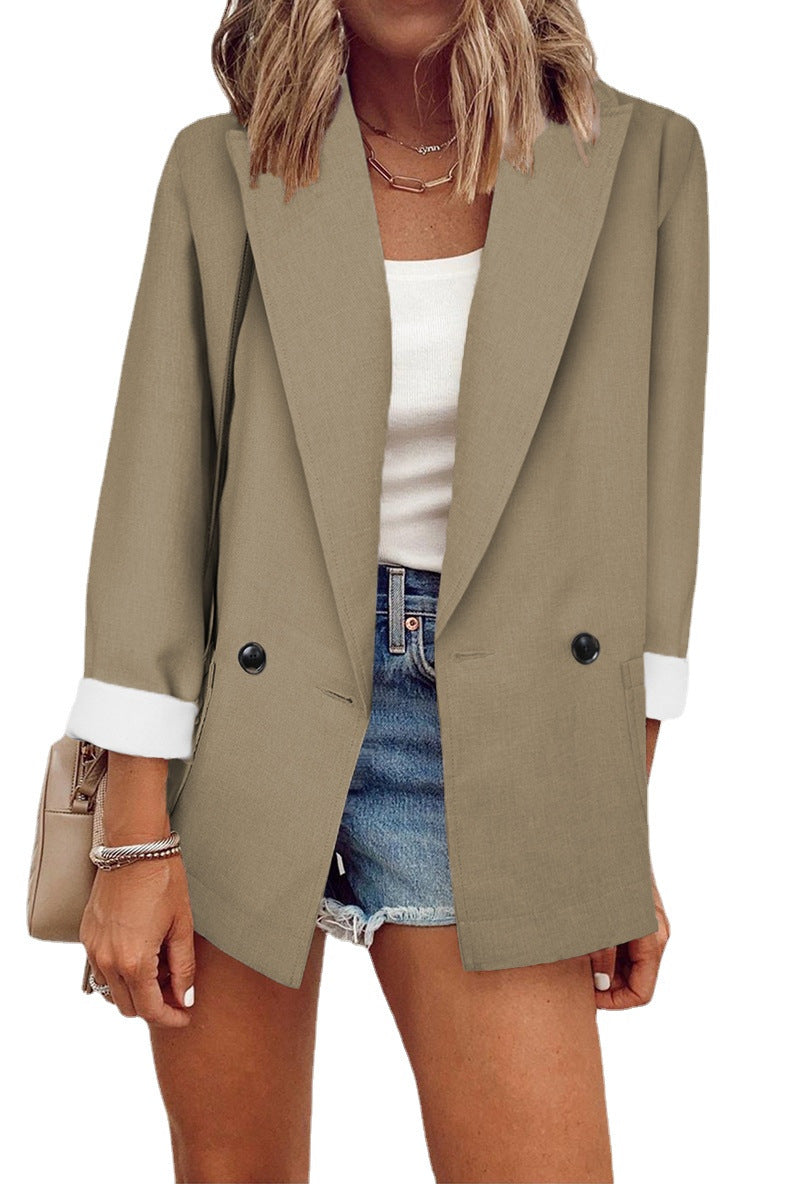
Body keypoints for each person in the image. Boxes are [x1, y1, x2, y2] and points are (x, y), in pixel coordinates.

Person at [67, 1, 708, 1180]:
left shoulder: (642, 160)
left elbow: (651, 528)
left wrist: (606, 826)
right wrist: (131, 831)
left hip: (498, 727)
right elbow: (159, 491)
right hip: (244, 717)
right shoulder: (222, 166)